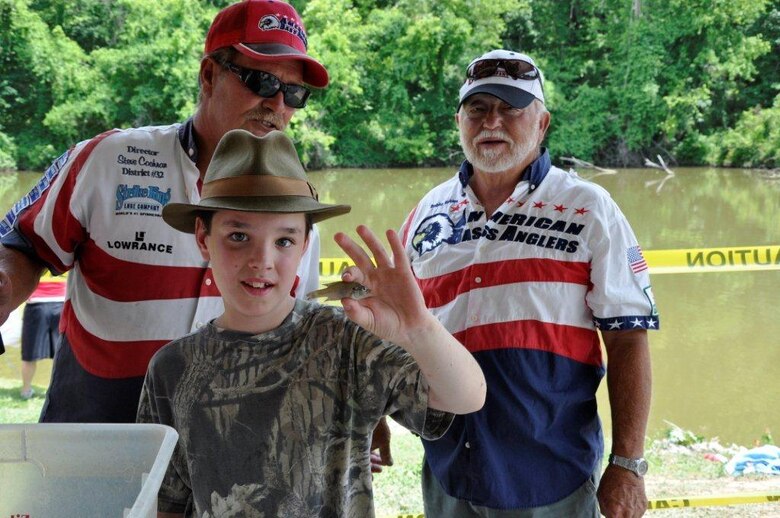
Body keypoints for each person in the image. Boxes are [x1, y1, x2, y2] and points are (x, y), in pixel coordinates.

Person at [0, 0, 330, 423]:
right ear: (209, 75)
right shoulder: (107, 159)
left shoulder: (296, 201)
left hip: (219, 456)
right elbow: (24, 243)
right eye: (262, 81)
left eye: (295, 92)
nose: (278, 104)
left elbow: (295, 332)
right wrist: (6, 286)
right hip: (94, 430)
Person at [136, 128, 486, 517]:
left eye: (284, 241)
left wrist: (417, 326)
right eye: (238, 235)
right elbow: (165, 502)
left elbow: (466, 397)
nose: (261, 260)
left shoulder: (349, 341)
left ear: (305, 244)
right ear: (203, 236)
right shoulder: (171, 369)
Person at [397, 49, 657, 517]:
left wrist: (628, 463)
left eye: (511, 108)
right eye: (478, 108)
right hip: (446, 472)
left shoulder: (589, 208)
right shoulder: (425, 213)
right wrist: (375, 413)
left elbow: (627, 339)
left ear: (542, 123)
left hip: (551, 477)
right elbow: (400, 328)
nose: (492, 121)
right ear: (459, 120)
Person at [19, 276, 66, 399]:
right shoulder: (67, 257)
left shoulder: (34, 256)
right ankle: (58, 391)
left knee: (29, 354)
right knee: (61, 355)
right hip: (61, 303)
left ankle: (26, 390)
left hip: (37, 305)